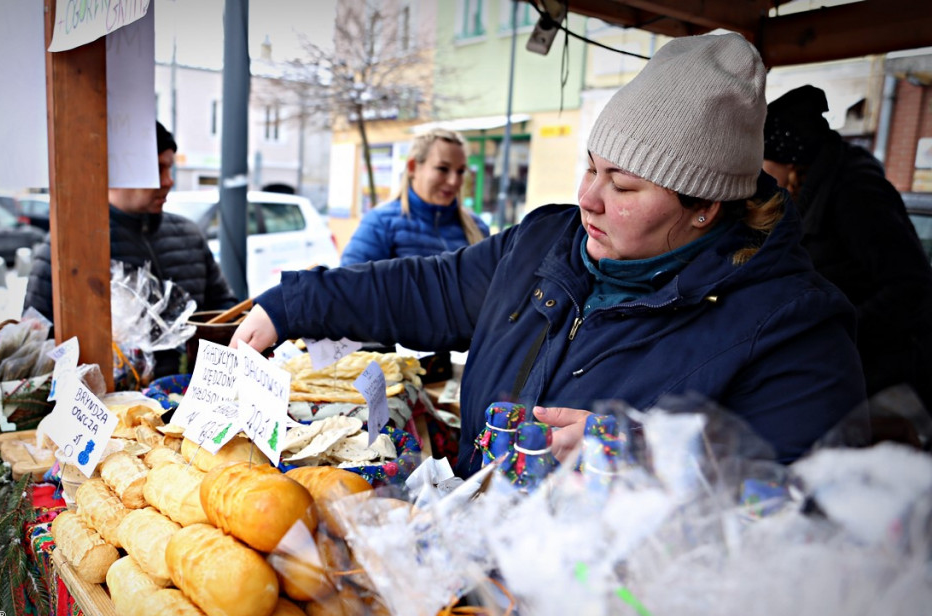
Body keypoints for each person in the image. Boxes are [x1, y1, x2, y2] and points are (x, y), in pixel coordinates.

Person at [231, 34, 866, 477]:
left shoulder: (793, 330)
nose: (587, 197)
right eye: (590, 167)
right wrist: (293, 303)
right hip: (472, 584)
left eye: (623, 186)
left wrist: (650, 460)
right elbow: (427, 288)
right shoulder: (545, 241)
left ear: (705, 206)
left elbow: (810, 519)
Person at [763, 85, 932, 414]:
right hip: (850, 363)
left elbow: (910, 285)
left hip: (888, 374)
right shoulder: (812, 193)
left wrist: (837, 330)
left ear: (791, 161)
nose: (761, 174)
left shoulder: (856, 196)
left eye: (764, 160)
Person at [24, 121, 238, 377]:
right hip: (111, 406)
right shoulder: (69, 246)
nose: (168, 181)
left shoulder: (188, 233)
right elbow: (35, 342)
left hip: (197, 396)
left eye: (169, 168)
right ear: (119, 171)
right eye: (157, 169)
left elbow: (225, 309)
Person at [340, 128, 490, 265]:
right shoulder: (381, 223)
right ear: (412, 167)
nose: (454, 181)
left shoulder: (477, 228)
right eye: (443, 169)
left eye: (461, 171)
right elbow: (349, 287)